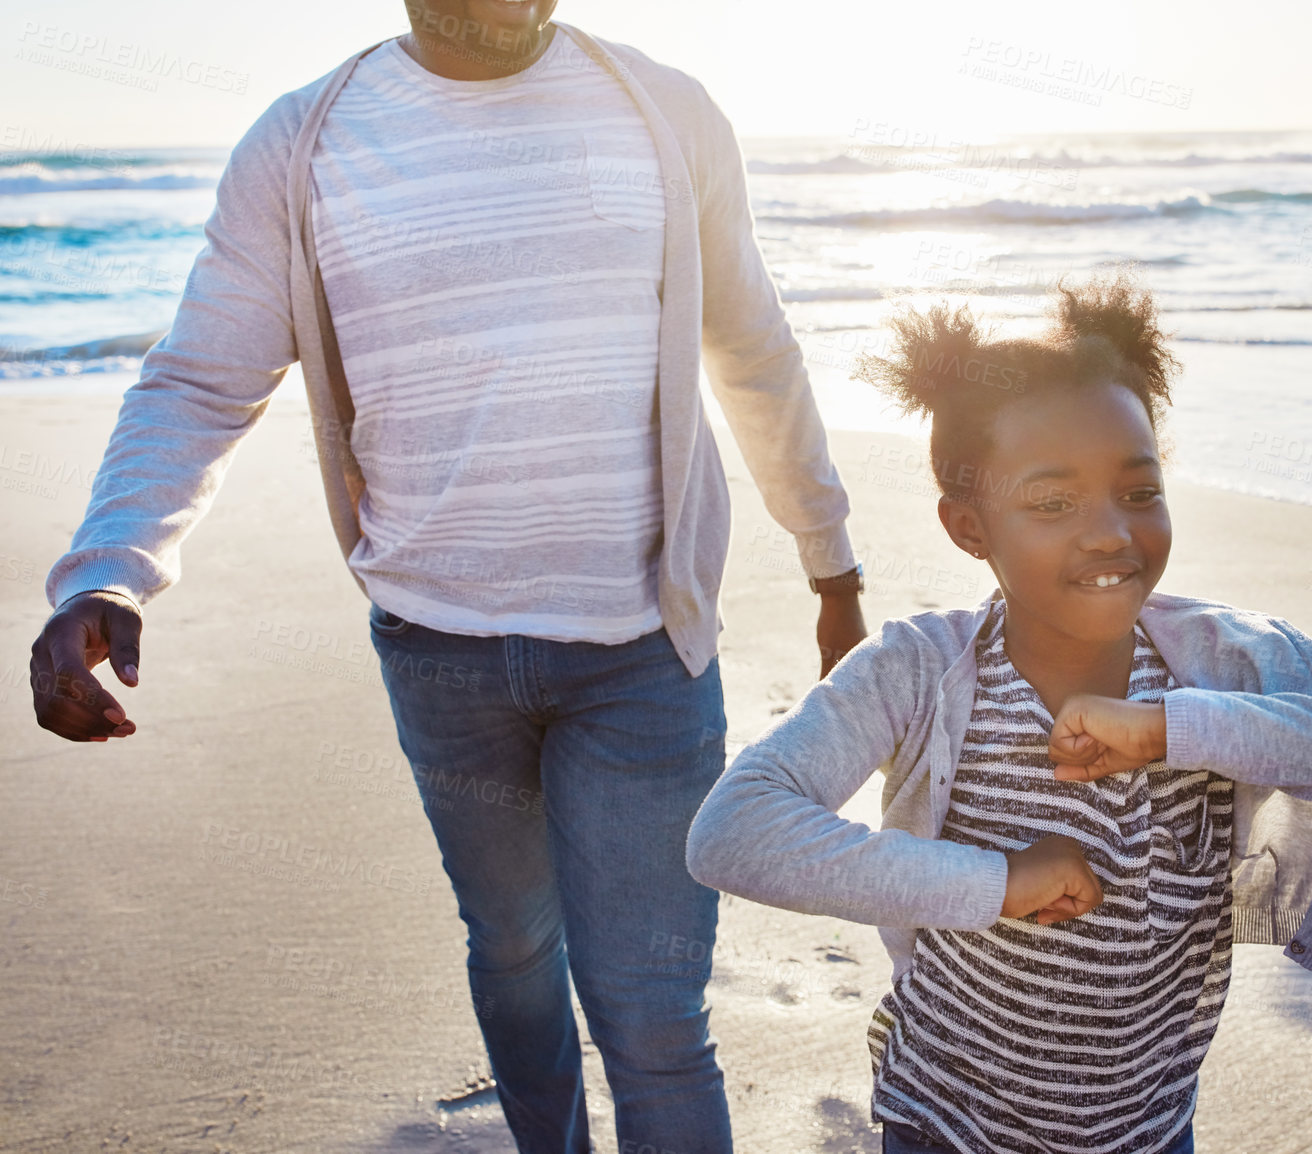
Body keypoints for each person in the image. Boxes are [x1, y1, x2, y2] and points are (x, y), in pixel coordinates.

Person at [26, 3, 869, 1151]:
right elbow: (199, 380)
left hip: (644, 651)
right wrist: (110, 568)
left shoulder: (663, 113)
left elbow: (753, 348)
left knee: (652, 1006)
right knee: (515, 947)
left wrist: (832, 558)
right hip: (440, 656)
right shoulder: (304, 142)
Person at [685, 274, 1312, 1154]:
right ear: (969, 526)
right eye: (1053, 504)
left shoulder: (1228, 667)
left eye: (1138, 492)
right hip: (943, 1126)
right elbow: (734, 830)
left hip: (1146, 1132)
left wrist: (1177, 729)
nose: (1110, 531)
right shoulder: (921, 671)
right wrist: (996, 882)